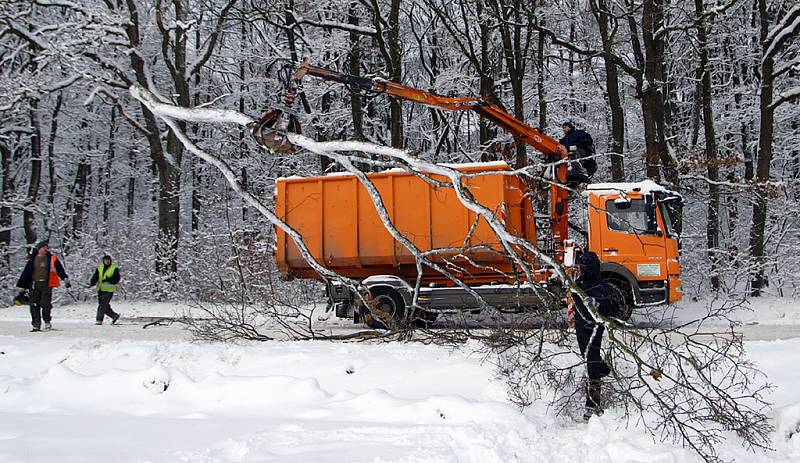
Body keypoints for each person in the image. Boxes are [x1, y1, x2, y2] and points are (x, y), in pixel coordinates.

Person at [570, 251, 619, 420]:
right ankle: (603, 369)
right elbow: (576, 303)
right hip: (580, 326)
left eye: (582, 266)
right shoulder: (578, 284)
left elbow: (612, 310)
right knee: (589, 358)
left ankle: (592, 405)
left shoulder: (601, 286)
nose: (580, 269)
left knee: (591, 362)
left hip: (594, 329)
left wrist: (597, 305)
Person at [15, 240, 71, 332]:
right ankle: (36, 325)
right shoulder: (32, 259)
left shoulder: (52, 259)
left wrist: (65, 278)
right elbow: (26, 273)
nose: (46, 249)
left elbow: (60, 270)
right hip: (34, 284)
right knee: (34, 304)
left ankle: (47, 322)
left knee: (46, 304)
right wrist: (23, 287)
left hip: (47, 284)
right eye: (44, 248)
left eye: (47, 248)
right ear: (39, 249)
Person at [88, 255, 121, 325]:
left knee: (102, 304)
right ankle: (114, 315)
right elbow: (95, 276)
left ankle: (99, 319)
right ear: (103, 261)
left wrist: (108, 279)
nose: (107, 261)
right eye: (106, 260)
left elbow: (116, 279)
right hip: (100, 289)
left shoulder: (114, 268)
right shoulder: (100, 268)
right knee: (103, 305)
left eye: (108, 260)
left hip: (109, 290)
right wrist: (92, 283)